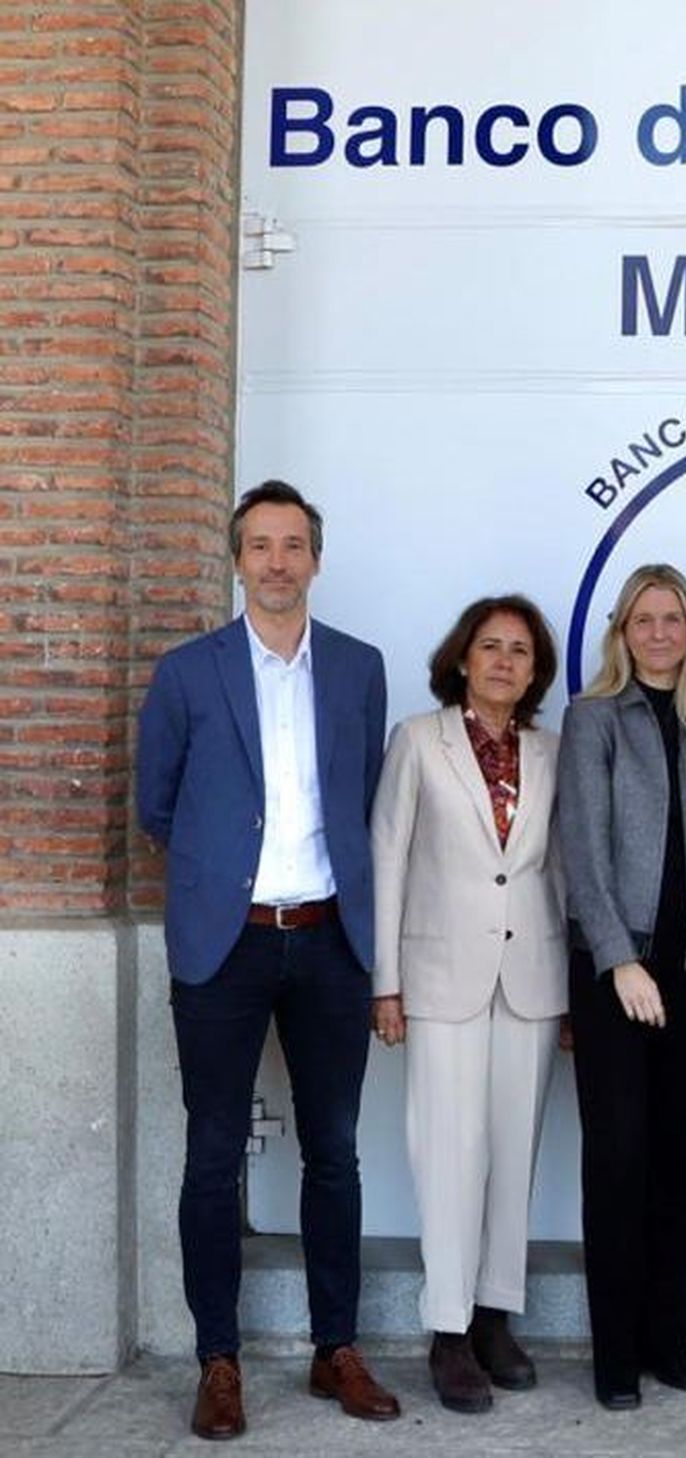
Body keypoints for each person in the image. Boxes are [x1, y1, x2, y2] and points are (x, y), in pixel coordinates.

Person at [135, 479, 399, 1440]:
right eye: (260, 547)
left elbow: (363, 790)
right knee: (213, 1157)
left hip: (330, 941)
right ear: (236, 560)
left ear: (316, 560)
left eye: (294, 546)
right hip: (226, 943)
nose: (278, 563)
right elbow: (155, 804)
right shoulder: (186, 672)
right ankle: (219, 1359)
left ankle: (337, 1350)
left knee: (335, 1151)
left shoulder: (361, 669)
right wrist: (222, 876)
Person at [368, 594, 566, 1413]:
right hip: (441, 976)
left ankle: (493, 1315)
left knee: (513, 1154)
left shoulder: (553, 752)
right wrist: (386, 981)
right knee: (449, 1154)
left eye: (520, 651)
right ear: (461, 658)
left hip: (532, 981)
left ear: (535, 670)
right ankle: (447, 1332)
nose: (505, 662)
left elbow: (555, 869)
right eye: (490, 646)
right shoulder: (419, 741)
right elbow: (388, 856)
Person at [556, 564, 686, 1410]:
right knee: (617, 1161)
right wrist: (620, 959)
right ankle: (614, 1356)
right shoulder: (593, 720)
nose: (659, 633)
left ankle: (670, 1343)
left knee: (677, 1162)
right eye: (642, 620)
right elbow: (581, 850)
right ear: (621, 632)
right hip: (616, 971)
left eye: (673, 618)